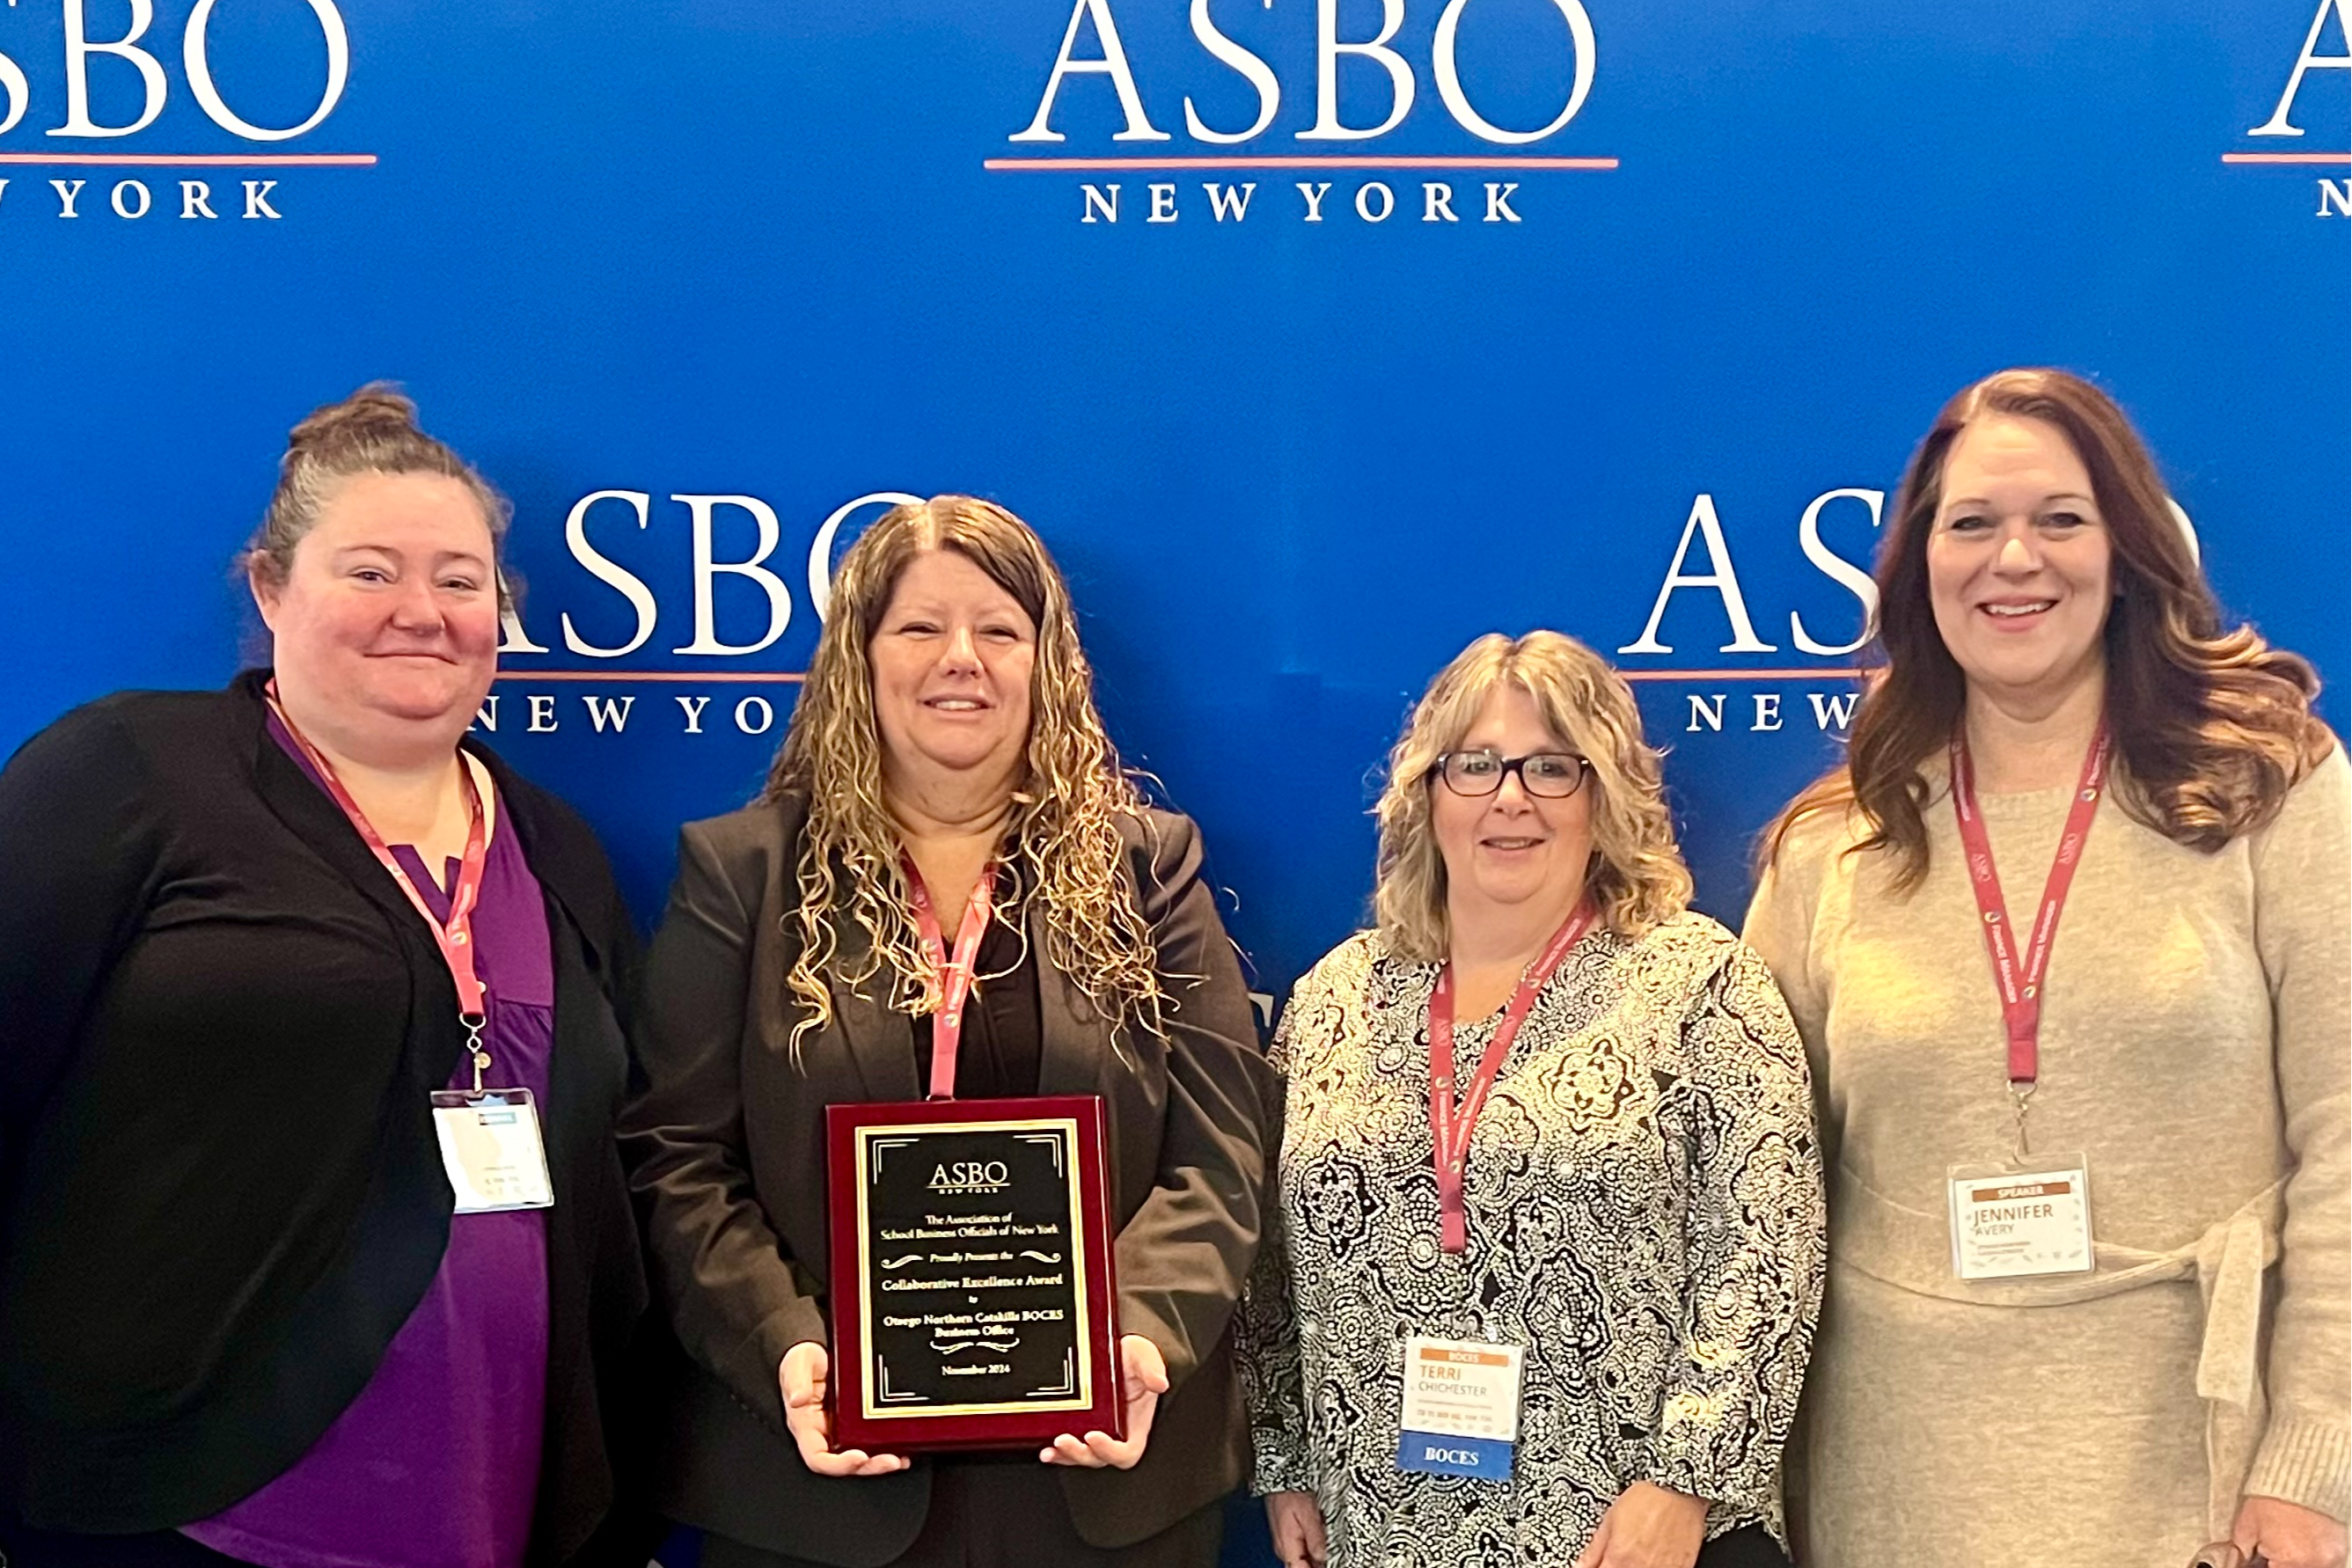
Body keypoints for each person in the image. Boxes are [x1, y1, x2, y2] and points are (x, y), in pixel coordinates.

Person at [0, 386, 656, 1567]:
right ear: (269, 587)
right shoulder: (132, 773)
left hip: (496, 1495)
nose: (423, 611)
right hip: (184, 1505)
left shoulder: (555, 845)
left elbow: (622, 1166)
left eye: (462, 581)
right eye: (370, 572)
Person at [1745, 368, 2350, 1568]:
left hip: (2204, 1489)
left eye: (2059, 519)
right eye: (1970, 523)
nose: (2012, 558)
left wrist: (2310, 1462)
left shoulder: (2270, 792)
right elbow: (1748, 1197)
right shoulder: (1833, 846)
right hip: (1894, 1489)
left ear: (2125, 550)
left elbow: (2345, 1139)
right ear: (1920, 563)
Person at [619, 494, 1275, 1568]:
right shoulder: (742, 873)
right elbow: (676, 1157)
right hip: (819, 1481)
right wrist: (785, 1347)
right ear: (860, 659)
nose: (959, 659)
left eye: (999, 631)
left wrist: (1142, 1338)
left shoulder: (1150, 867)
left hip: (1105, 1475)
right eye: (920, 627)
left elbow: (1223, 1149)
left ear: (1045, 664)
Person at [1240, 630, 1826, 1568]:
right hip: (1382, 1529)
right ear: (1427, 793)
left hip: (1630, 1540)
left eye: (1553, 767)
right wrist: (1285, 1460)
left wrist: (1688, 1483)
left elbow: (1764, 1251)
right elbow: (1266, 1259)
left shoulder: (1698, 984)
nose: (1510, 797)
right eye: (1476, 765)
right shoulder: (1334, 999)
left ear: (1605, 796)